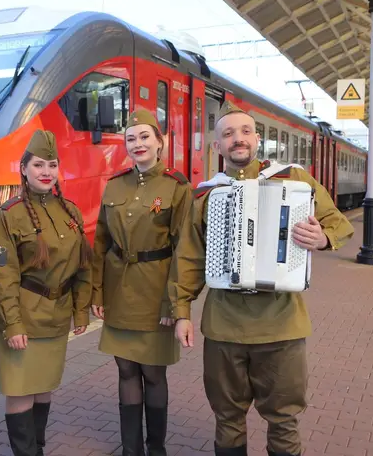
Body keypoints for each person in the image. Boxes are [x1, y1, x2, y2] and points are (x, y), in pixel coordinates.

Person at [168, 100, 355, 456]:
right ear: (217, 147)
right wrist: (181, 312)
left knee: (284, 420)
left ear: (257, 138)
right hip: (224, 326)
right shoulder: (206, 194)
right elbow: (189, 258)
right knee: (227, 418)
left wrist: (323, 237)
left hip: (282, 324)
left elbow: (338, 223)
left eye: (244, 131)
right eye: (227, 134)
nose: (237, 139)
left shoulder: (294, 179)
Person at [91, 109, 192, 456]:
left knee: (152, 373)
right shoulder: (115, 185)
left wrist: (174, 305)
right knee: (125, 370)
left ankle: (156, 448)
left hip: (156, 291)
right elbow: (101, 242)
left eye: (145, 137)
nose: (138, 144)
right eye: (131, 139)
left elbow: (184, 250)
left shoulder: (177, 188)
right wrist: (98, 291)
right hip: (120, 289)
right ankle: (131, 449)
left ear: (160, 142)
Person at [0, 129, 93, 456]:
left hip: (57, 316)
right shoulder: (7, 216)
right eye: (38, 165)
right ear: (24, 169)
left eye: (52, 165)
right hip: (23, 315)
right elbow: (4, 275)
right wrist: (13, 324)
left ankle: (39, 448)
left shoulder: (71, 212)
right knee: (21, 390)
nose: (46, 172)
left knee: (44, 387)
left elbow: (83, 266)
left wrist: (80, 310)